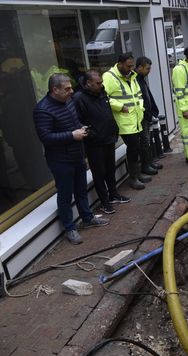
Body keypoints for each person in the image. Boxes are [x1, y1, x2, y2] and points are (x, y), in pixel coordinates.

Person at [33, 73, 109, 244]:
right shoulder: (42, 110)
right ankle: (70, 228)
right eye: (67, 89)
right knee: (65, 195)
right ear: (55, 90)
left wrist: (80, 129)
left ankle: (87, 218)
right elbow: (46, 137)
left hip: (77, 155)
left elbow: (73, 122)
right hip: (60, 161)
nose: (71, 91)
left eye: (71, 87)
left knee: (81, 190)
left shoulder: (68, 102)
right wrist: (71, 135)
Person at [73, 70, 130, 215]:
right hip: (95, 143)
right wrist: (91, 134)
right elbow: (77, 121)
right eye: (98, 83)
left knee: (110, 169)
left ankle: (113, 195)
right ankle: (104, 202)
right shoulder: (79, 98)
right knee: (99, 173)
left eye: (101, 82)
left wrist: (114, 130)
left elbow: (107, 112)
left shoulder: (102, 93)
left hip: (108, 138)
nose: (101, 85)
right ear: (88, 83)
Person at [103, 52, 150, 190]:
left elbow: (138, 95)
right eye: (128, 66)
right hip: (123, 121)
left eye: (132, 66)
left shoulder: (131, 76)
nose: (131, 69)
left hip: (136, 118)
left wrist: (140, 108)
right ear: (120, 63)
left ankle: (138, 174)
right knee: (133, 148)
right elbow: (104, 97)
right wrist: (120, 106)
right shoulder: (109, 77)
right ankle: (133, 178)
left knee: (138, 147)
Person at [135, 56, 163, 176]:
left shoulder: (142, 78)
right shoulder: (135, 80)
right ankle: (145, 165)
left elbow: (147, 96)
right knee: (144, 141)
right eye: (147, 68)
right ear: (140, 67)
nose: (149, 71)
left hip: (146, 115)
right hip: (140, 117)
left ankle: (150, 162)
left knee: (147, 140)